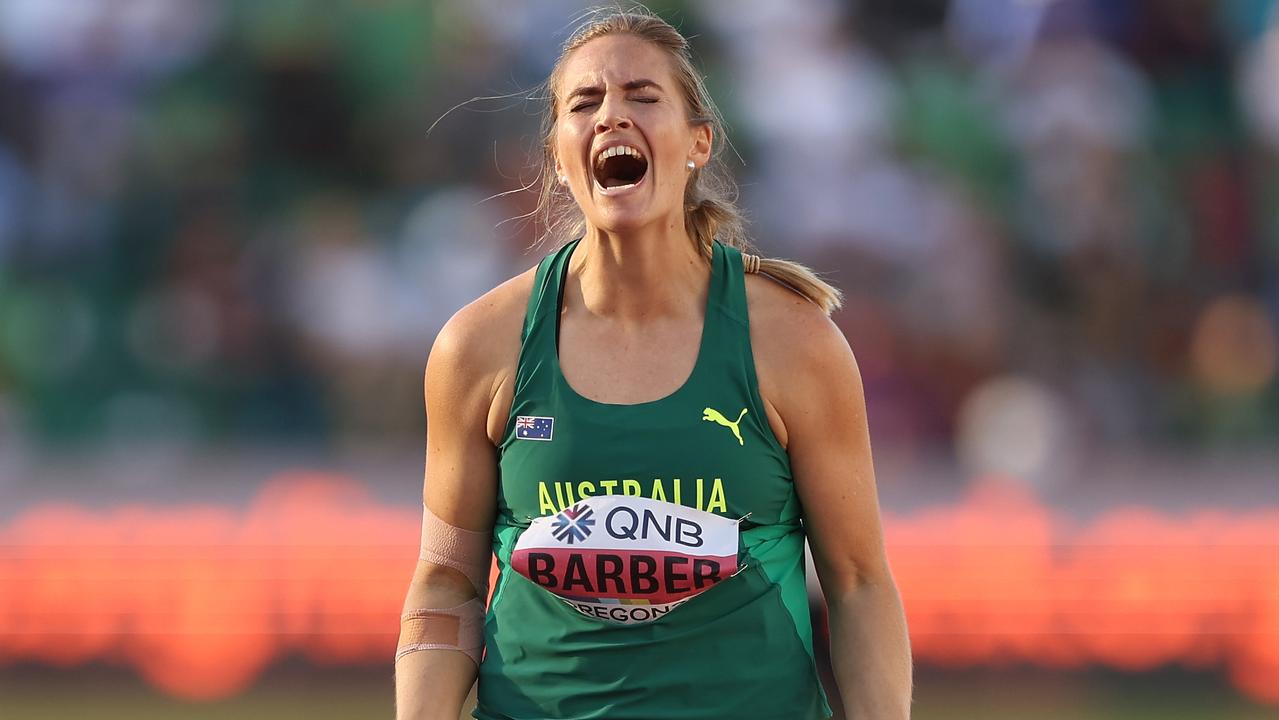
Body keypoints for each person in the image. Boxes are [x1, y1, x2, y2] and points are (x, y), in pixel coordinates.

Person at [394, 6, 911, 719]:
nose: (611, 116)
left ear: (697, 142)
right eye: (585, 103)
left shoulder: (792, 340)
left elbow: (857, 584)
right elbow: (446, 583)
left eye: (642, 96)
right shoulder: (477, 346)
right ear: (556, 154)